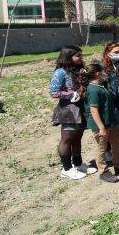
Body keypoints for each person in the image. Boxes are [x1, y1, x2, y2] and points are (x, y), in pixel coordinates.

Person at [50, 46, 92, 180]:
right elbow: (54, 92)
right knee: (67, 139)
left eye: (81, 55)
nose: (81, 58)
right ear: (68, 57)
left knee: (77, 138)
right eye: (77, 56)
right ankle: (66, 169)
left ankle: (78, 164)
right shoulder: (60, 73)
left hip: (80, 108)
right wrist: (70, 94)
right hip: (68, 110)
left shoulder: (78, 71)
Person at [84, 63, 119, 183]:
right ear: (97, 73)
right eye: (102, 71)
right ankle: (103, 171)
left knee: (117, 144)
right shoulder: (93, 90)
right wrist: (101, 127)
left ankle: (118, 166)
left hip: (110, 123)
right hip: (101, 125)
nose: (105, 73)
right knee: (101, 148)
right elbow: (93, 109)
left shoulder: (101, 86)